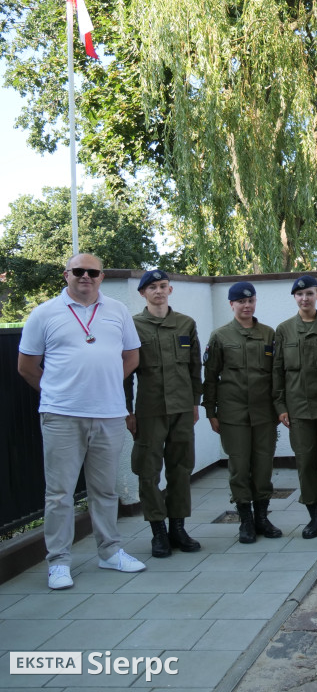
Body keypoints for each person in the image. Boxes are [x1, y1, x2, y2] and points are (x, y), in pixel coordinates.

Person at [17, 253, 146, 590]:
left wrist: (103, 384)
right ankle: (58, 562)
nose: (85, 276)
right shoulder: (45, 313)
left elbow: (131, 356)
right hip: (61, 416)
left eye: (93, 272)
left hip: (109, 414)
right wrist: (58, 392)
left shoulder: (117, 311)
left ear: (101, 277)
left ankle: (110, 551)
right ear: (66, 275)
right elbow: (27, 366)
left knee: (105, 489)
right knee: (59, 494)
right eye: (79, 271)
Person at [126, 269, 204, 557]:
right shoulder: (132, 326)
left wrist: (195, 402)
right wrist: (127, 410)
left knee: (181, 469)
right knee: (148, 471)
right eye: (152, 287)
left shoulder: (186, 323)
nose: (158, 291)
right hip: (149, 410)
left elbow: (195, 367)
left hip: (182, 408)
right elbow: (126, 373)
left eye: (163, 286)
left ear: (170, 290)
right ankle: (157, 531)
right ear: (143, 293)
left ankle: (178, 528)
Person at [203, 281, 282, 543]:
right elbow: (211, 376)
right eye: (241, 301)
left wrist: (280, 409)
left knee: (263, 467)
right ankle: (245, 520)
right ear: (232, 304)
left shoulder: (269, 334)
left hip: (264, 413)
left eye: (251, 301)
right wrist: (211, 411)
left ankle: (262, 517)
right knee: (239, 468)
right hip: (233, 412)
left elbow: (276, 375)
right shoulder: (220, 336)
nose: (246, 305)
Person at [273, 275, 317, 539]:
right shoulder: (284, 330)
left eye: (310, 294)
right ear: (295, 298)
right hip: (298, 410)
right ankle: (313, 518)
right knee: (305, 464)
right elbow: (277, 371)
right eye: (300, 295)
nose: (305, 298)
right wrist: (280, 405)